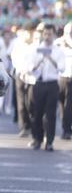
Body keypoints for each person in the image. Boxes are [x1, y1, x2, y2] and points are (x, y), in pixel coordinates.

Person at [26, 23, 64, 151]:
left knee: (51, 114)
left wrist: (51, 59)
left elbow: (62, 68)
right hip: (39, 84)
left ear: (54, 35)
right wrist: (39, 61)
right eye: (46, 34)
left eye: (50, 34)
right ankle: (37, 139)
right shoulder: (36, 49)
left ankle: (50, 142)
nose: (47, 37)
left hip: (52, 84)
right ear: (43, 34)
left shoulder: (58, 51)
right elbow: (30, 67)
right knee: (37, 113)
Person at [58, 23, 72, 140]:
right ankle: (65, 126)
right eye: (67, 32)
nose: (69, 35)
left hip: (70, 77)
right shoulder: (58, 43)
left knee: (69, 105)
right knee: (62, 104)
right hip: (60, 78)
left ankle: (66, 130)